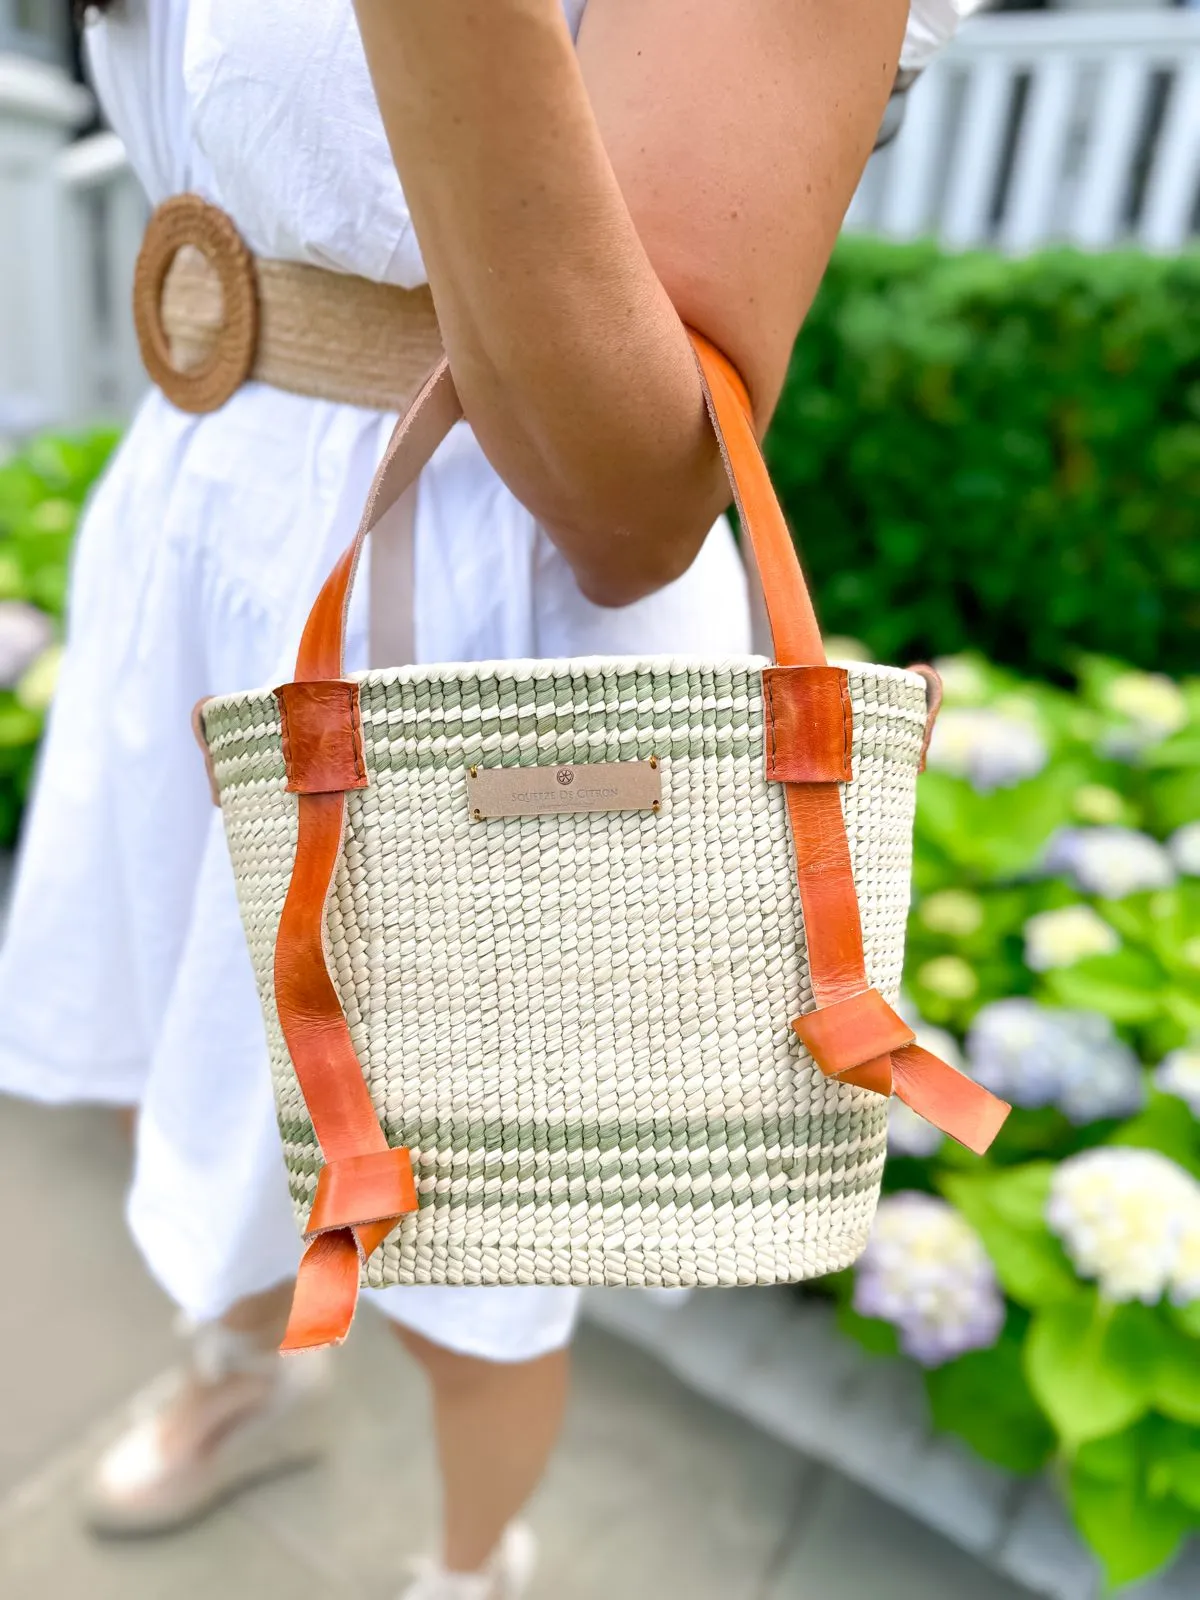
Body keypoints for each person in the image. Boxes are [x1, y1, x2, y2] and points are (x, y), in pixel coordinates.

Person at [0, 1, 967, 1594]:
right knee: (184, 1083)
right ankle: (251, 1382)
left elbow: (628, 498)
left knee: (484, 1235)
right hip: (204, 523)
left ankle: (472, 1565)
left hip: (499, 619)